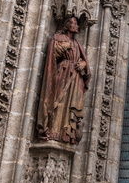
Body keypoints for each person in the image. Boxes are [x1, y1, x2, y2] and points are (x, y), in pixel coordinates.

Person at [36, 16, 90, 145]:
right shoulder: (58, 38)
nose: (77, 26)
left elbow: (85, 64)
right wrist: (60, 48)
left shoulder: (78, 44)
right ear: (67, 25)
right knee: (59, 99)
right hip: (63, 73)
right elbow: (52, 56)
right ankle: (54, 129)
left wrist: (83, 65)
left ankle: (66, 133)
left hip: (76, 77)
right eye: (74, 23)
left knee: (71, 104)